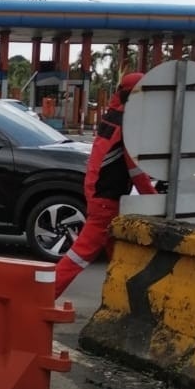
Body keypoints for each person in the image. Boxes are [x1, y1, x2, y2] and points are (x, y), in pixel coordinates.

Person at [53, 72, 157, 298]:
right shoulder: (128, 124)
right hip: (106, 199)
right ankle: (43, 294)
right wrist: (155, 198)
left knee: (117, 254)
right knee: (81, 254)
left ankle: (122, 299)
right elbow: (135, 169)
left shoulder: (113, 116)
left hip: (99, 193)